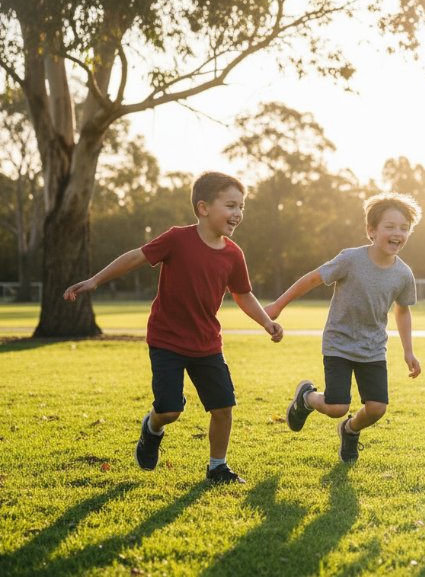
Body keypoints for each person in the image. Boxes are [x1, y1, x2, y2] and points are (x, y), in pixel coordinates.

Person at [63, 171, 284, 484]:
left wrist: (266, 321)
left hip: (207, 344)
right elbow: (137, 257)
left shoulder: (234, 255)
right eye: (231, 205)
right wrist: (96, 280)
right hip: (167, 340)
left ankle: (217, 466)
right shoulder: (177, 239)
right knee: (169, 410)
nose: (238, 214)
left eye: (242, 207)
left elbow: (242, 294)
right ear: (204, 208)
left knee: (223, 406)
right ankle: (152, 429)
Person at [272, 192, 422, 463]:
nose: (397, 233)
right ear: (371, 230)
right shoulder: (351, 259)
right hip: (339, 342)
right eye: (390, 226)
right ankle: (307, 398)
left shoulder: (403, 274)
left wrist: (408, 351)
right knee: (336, 406)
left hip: (373, 348)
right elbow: (313, 279)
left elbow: (403, 310)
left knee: (376, 408)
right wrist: (278, 305)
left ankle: (350, 431)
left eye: (404, 228)